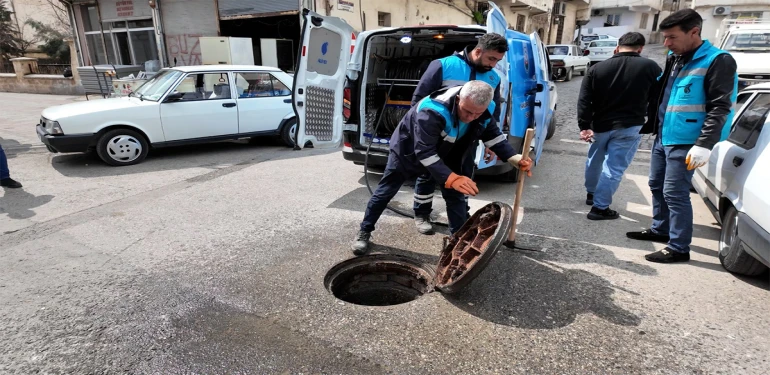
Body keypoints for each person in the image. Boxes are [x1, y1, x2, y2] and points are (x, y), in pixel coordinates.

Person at [351, 81, 533, 255]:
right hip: (408, 152)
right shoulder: (433, 110)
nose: (471, 118)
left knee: (456, 197)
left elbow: (492, 134)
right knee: (385, 192)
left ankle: (459, 242)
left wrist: (513, 157)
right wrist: (451, 178)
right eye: (467, 111)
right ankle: (364, 231)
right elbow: (424, 152)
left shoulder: (484, 108)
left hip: (448, 151)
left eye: (477, 114)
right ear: (458, 98)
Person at [626, 9, 737, 263]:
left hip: (687, 141)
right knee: (656, 185)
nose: (666, 43)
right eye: (665, 37)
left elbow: (721, 106)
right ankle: (661, 229)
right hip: (664, 135)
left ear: (694, 32)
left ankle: (678, 247)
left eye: (672, 37)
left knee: (674, 193)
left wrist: (704, 144)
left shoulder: (718, 60)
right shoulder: (676, 57)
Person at [408, 33, 508, 235]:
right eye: (491, 59)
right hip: (438, 137)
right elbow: (418, 102)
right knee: (428, 174)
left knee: (463, 177)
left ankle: (460, 217)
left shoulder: (493, 78)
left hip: (466, 141)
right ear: (478, 51)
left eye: (498, 60)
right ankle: (422, 213)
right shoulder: (443, 66)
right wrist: (421, 135)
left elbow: (492, 113)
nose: (494, 65)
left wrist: (491, 144)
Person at [577, 32, 662, 220]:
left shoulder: (597, 68)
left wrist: (584, 125)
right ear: (641, 48)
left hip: (599, 125)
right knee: (613, 168)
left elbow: (584, 100)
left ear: (617, 47)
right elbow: (658, 98)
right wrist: (652, 122)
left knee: (594, 159)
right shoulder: (652, 68)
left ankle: (592, 194)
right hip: (630, 125)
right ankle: (600, 208)